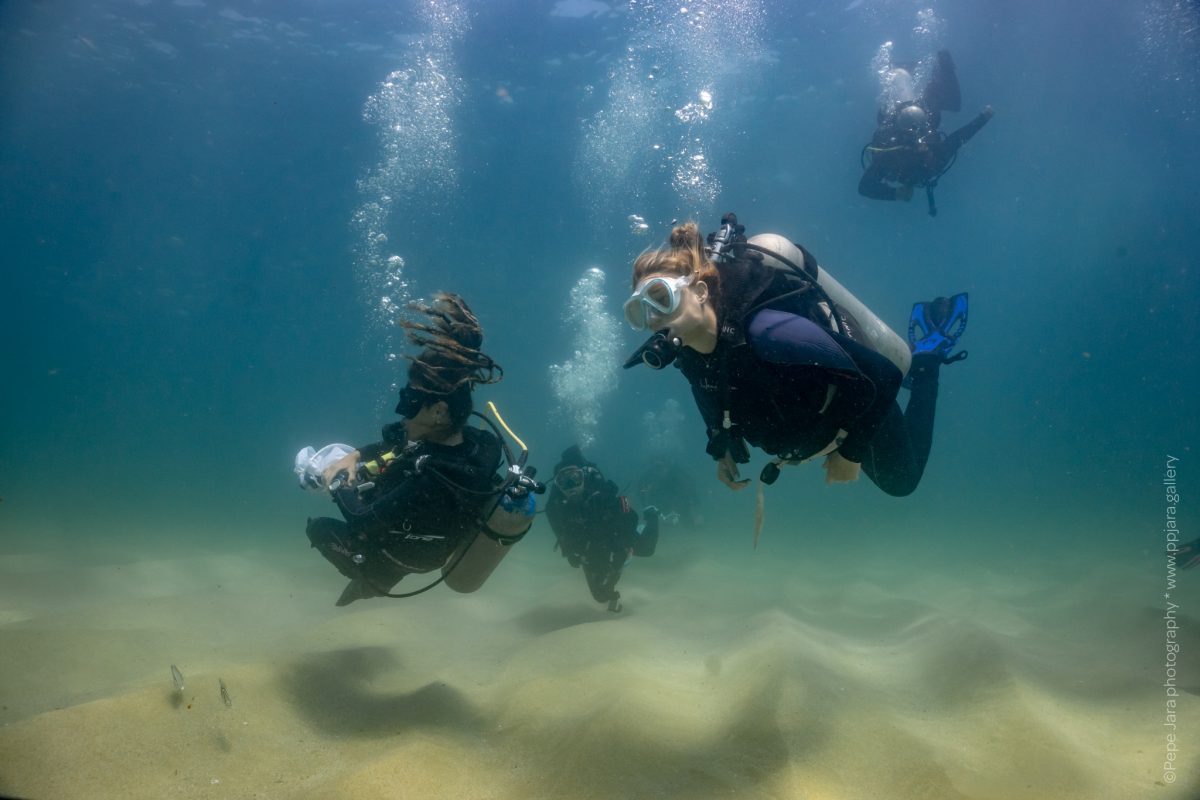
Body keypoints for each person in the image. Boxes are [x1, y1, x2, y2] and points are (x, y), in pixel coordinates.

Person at [623, 219, 967, 497]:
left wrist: (851, 454)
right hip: (821, 428)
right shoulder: (689, 352)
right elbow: (708, 392)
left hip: (862, 401)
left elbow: (884, 375)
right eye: (640, 312)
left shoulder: (768, 331)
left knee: (902, 484)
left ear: (699, 292)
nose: (653, 318)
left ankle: (926, 365)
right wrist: (720, 447)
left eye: (660, 298)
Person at [300, 293, 538, 606]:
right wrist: (355, 455)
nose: (401, 411)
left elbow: (362, 521)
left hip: (401, 553)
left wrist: (338, 481)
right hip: (434, 551)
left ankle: (372, 579)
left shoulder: (431, 474)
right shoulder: (479, 444)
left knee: (318, 529)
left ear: (439, 411)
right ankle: (379, 577)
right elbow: (395, 442)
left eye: (411, 401)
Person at [859, 50, 994, 216]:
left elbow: (865, 187)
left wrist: (896, 195)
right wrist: (983, 119)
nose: (914, 143)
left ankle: (903, 73)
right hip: (914, 119)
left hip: (913, 119)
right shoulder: (927, 159)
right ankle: (935, 67)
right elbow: (957, 139)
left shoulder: (890, 160)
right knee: (947, 106)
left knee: (889, 115)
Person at [545, 445, 660, 613]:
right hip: (591, 544)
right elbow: (559, 531)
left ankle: (652, 514)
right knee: (600, 595)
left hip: (615, 535)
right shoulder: (554, 506)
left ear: (583, 477)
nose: (571, 485)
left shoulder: (601, 494)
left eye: (575, 478)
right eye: (564, 481)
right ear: (557, 485)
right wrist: (570, 551)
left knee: (647, 549)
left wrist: (622, 549)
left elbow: (630, 517)